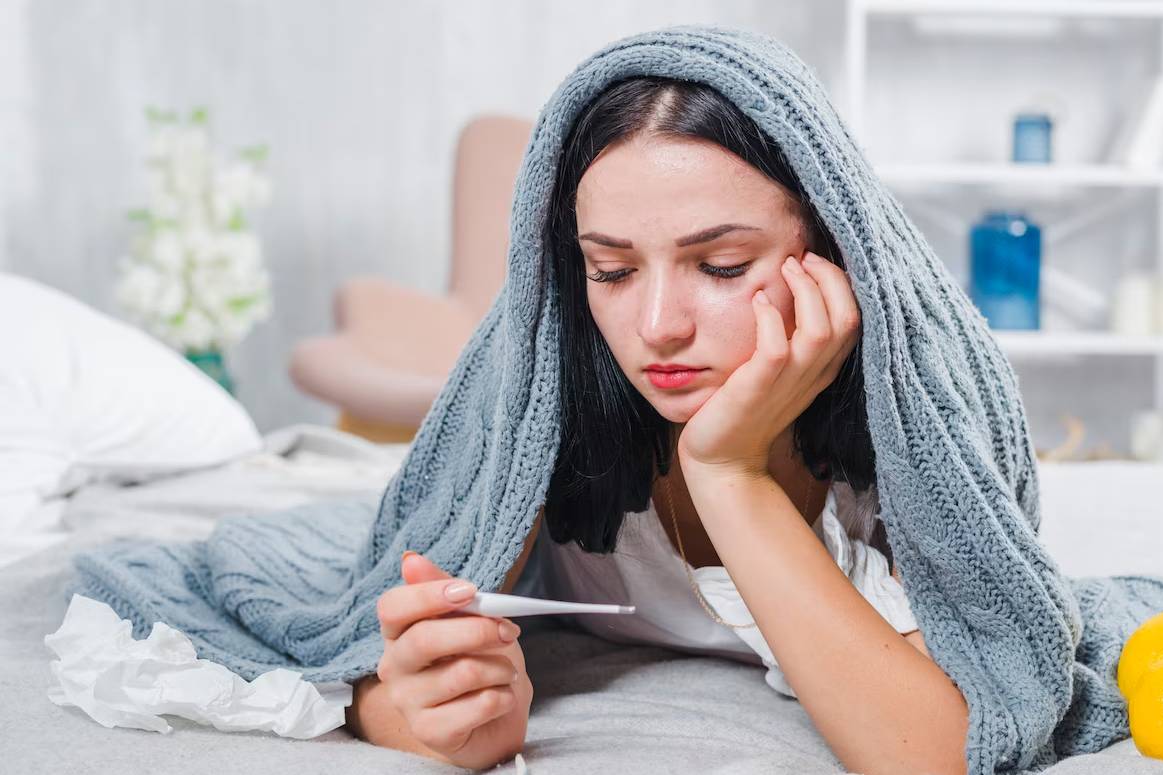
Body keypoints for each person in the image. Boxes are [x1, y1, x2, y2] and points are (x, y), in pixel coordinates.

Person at [344, 75, 969, 774]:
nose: (657, 328)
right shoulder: (542, 419)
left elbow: (935, 755)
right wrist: (450, 723)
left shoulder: (906, 447)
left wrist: (729, 472)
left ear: (834, 255)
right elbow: (371, 671)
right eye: (611, 270)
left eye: (722, 266)